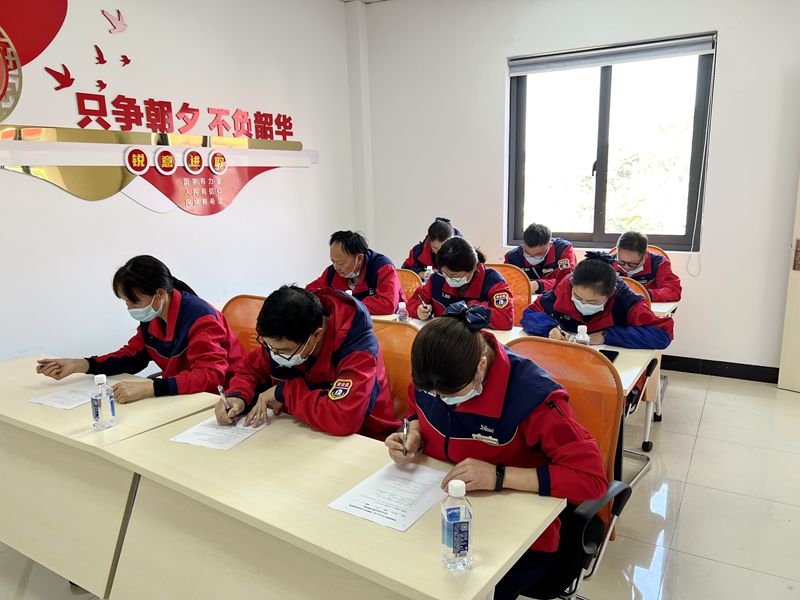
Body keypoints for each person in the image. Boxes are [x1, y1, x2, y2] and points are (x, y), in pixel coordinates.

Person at [385, 304, 608, 600]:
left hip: (516, 536)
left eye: (451, 395)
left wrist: (499, 476)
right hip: (435, 510)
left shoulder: (533, 397)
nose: (441, 401)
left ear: (480, 367)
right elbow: (417, 409)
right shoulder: (434, 372)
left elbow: (591, 479)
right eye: (433, 394)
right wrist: (413, 432)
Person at [36, 255, 244, 402]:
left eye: (133, 301)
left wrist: (151, 387)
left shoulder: (201, 318)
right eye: (126, 301)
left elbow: (210, 376)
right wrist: (79, 364)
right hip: (184, 397)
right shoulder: (153, 316)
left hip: (227, 398)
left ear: (160, 293)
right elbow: (131, 356)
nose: (129, 308)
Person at [214, 285, 400, 439]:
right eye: (269, 347)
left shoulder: (357, 347)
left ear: (316, 335)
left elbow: (344, 418)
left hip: (364, 439)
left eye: (283, 351)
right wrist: (238, 396)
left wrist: (284, 393)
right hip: (302, 430)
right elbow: (251, 370)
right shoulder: (284, 335)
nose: (274, 354)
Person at [521, 252, 673, 349]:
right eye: (577, 298)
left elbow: (661, 335)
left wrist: (607, 336)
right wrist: (549, 329)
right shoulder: (564, 289)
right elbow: (530, 313)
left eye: (592, 302)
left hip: (607, 363)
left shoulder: (626, 301)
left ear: (610, 294)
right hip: (567, 355)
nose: (583, 304)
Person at [406, 237, 513, 330]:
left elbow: (505, 320)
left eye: (454, 275)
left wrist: (468, 308)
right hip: (443, 339)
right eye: (445, 273)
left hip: (478, 340)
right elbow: (413, 302)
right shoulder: (437, 279)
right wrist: (418, 310)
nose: (448, 279)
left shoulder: (493, 282)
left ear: (474, 267)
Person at [307, 230, 405, 316]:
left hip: (389, 324)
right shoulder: (332, 272)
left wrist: (345, 305)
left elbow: (387, 305)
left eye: (341, 263)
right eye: (333, 261)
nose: (336, 267)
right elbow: (309, 295)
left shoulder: (382, 267)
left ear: (360, 258)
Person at [504, 223, 575, 292]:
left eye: (539, 254)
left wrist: (538, 285)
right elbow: (506, 284)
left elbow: (567, 280)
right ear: (523, 244)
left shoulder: (563, 250)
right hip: (525, 297)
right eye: (527, 253)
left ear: (550, 245)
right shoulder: (511, 257)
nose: (532, 257)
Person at [612, 231, 682, 302]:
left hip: (648, 306)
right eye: (621, 262)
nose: (626, 267)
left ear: (645, 255)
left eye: (633, 263)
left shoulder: (659, 264)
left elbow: (673, 291)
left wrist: (644, 294)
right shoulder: (609, 262)